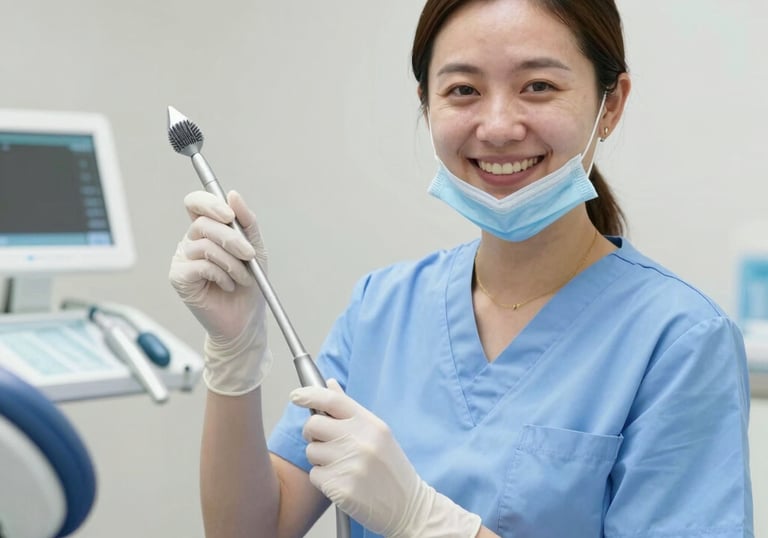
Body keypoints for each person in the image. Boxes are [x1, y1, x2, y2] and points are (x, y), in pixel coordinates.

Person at [169, 0, 754, 536]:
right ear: (427, 103)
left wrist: (426, 521)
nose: (498, 126)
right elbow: (251, 530)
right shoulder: (383, 308)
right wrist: (234, 355)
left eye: (539, 86)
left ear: (611, 104)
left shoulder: (679, 339)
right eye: (463, 90)